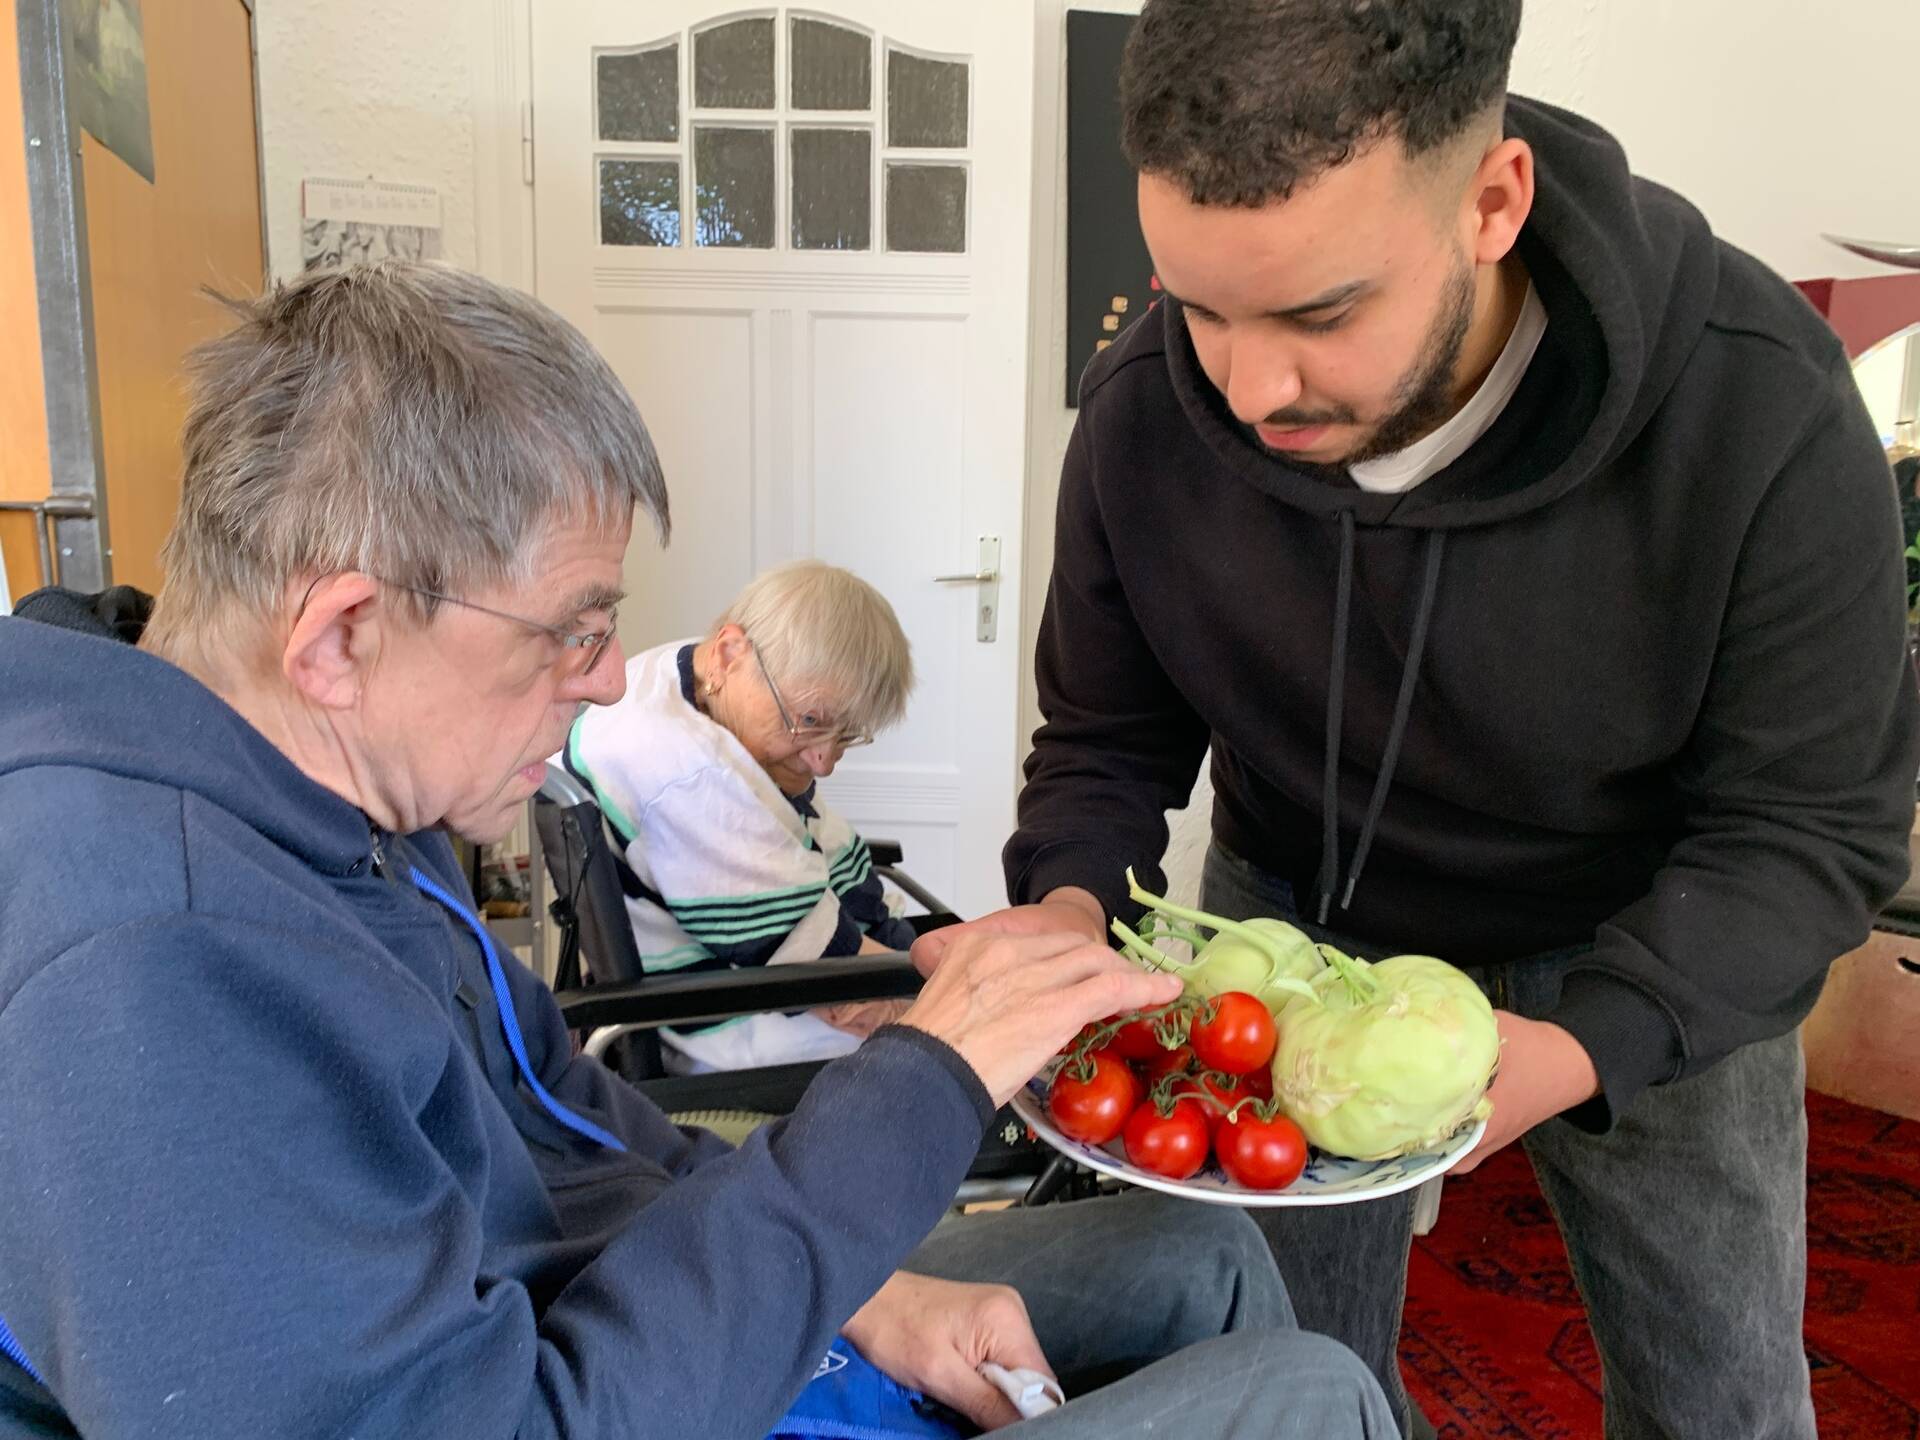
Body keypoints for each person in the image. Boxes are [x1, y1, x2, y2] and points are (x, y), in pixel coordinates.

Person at [0, 261, 1396, 1439]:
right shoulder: (148, 969)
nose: (610, 681)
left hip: (607, 1313)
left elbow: (568, 1116)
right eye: (573, 628)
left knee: (1204, 1255)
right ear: (342, 633)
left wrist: (861, 1290)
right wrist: (921, 1087)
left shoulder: (326, 800)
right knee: (1310, 1393)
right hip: (585, 1381)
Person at [920, 3, 1920, 1437]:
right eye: (1199, 304)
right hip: (1297, 920)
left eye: (1321, 313)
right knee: (1287, 1371)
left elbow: (1810, 830)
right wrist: (1069, 912)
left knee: (1722, 1395)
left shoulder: (1755, 401)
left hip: (1657, 935)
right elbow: (1104, 741)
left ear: (1493, 202)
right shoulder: (1145, 413)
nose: (1247, 389)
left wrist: (1586, 1043)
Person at [563, 560, 920, 1071]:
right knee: (955, 1053)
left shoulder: (681, 672)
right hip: (721, 1018)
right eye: (811, 721)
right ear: (731, 653)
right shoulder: (693, 781)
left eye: (845, 735)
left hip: (717, 961)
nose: (824, 762)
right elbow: (839, 984)